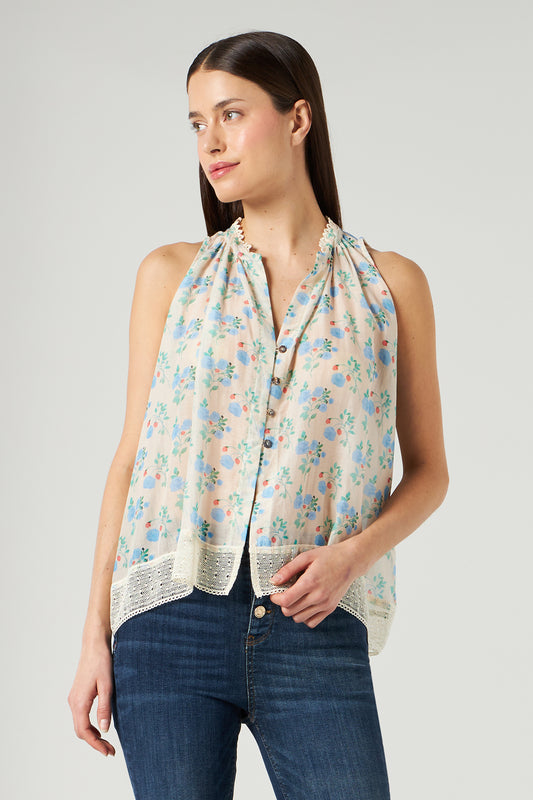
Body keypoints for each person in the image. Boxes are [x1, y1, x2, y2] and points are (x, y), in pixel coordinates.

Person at [68, 29, 449, 800]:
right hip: (168, 620)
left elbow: (429, 473)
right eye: (197, 123)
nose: (210, 142)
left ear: (297, 118)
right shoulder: (171, 275)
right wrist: (92, 638)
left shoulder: (389, 286)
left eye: (231, 114)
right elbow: (130, 458)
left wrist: (352, 558)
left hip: (314, 625)